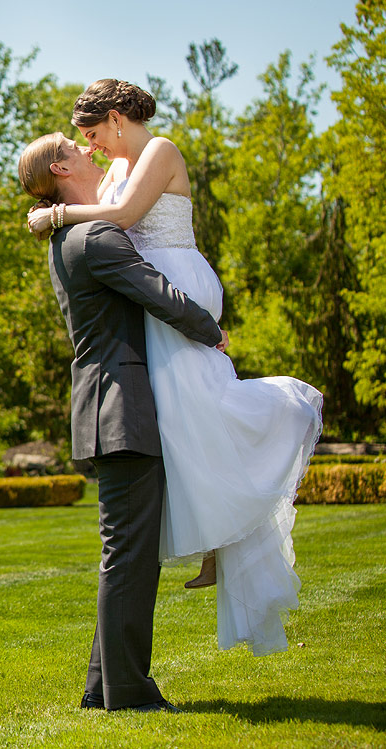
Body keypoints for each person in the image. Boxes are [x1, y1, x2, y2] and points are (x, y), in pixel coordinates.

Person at [26, 80, 324, 657]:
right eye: (80, 143)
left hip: (175, 285)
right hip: (152, 296)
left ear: (116, 119)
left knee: (206, 404)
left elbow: (124, 215)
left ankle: (277, 431)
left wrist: (56, 212)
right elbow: (101, 216)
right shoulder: (110, 171)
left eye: (91, 135)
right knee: (183, 422)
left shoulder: (158, 150)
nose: (90, 149)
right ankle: (220, 539)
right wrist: (55, 207)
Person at [19, 132, 227, 712]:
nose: (87, 149)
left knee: (125, 553)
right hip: (125, 409)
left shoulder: (70, 235)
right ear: (60, 166)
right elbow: (158, 292)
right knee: (129, 557)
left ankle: (100, 687)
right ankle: (129, 692)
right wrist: (211, 330)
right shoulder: (95, 236)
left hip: (106, 408)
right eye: (73, 145)